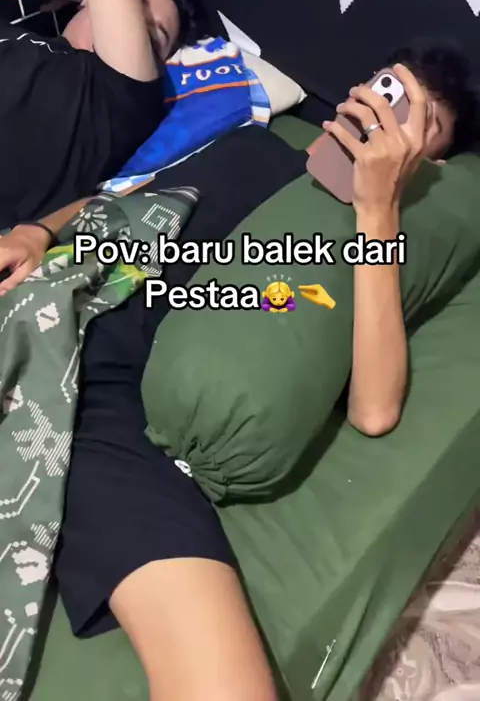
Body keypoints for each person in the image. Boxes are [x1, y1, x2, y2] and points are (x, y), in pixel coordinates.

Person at [0, 40, 478, 699]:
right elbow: (118, 199)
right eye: (385, 90)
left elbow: (375, 409)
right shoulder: (252, 144)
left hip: (101, 404)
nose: (382, 116)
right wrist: (38, 230)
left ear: (433, 160)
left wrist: (379, 210)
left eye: (415, 120)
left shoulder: (377, 233)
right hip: (49, 295)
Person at [0, 0, 206, 233]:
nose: (135, 23)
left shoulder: (115, 98)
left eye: (152, 37)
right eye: (131, 1)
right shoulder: (23, 40)